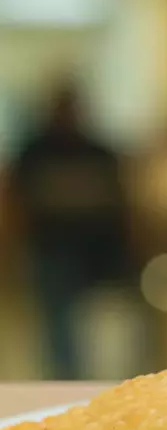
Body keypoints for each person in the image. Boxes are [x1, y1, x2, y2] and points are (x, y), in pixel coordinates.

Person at [4, 75, 130, 380]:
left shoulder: (100, 152)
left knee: (107, 325)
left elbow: (123, 200)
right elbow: (14, 201)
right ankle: (68, 379)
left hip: (100, 251)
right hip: (51, 249)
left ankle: (105, 380)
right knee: (58, 324)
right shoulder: (32, 152)